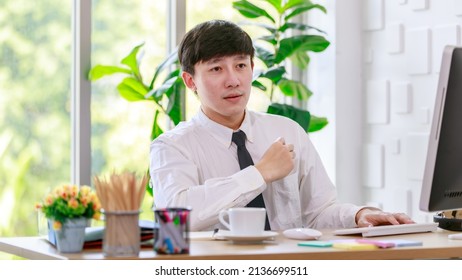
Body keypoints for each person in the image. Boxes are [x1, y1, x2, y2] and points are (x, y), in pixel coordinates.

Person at [149, 19, 414, 231]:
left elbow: (318, 213)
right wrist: (259, 173)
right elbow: (176, 219)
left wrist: (360, 215)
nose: (233, 80)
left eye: (241, 65)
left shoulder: (286, 131)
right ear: (190, 81)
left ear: (252, 67)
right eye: (216, 69)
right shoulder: (172, 146)